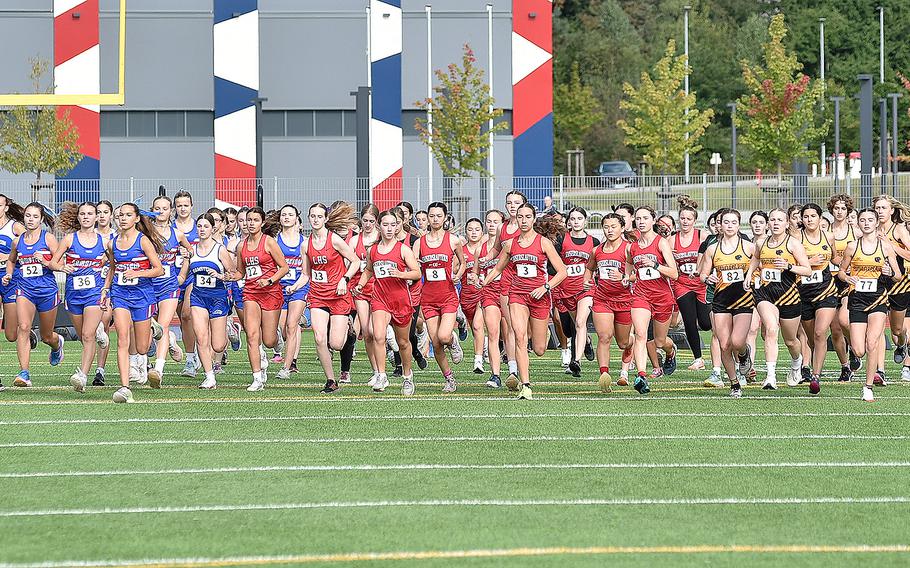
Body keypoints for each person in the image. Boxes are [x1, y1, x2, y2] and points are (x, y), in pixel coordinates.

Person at [482, 203, 567, 400]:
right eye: (520, 217)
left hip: (539, 296)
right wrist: (483, 282)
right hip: (517, 295)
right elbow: (498, 268)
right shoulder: (510, 244)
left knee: (538, 349)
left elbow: (562, 271)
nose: (523, 220)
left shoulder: (543, 243)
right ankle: (526, 385)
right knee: (519, 337)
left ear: (534, 219)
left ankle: (543, 332)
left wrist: (545, 287)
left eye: (528, 217)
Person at [353, 209, 422, 393]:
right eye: (386, 225)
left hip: (400, 300)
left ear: (398, 226)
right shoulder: (373, 250)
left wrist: (401, 274)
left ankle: (407, 376)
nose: (390, 229)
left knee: (403, 342)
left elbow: (417, 272)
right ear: (379, 226)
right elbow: (368, 269)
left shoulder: (403, 249)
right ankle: (381, 375)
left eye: (393, 225)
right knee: (378, 335)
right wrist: (360, 284)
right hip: (380, 299)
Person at [102, 204, 164, 403]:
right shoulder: (112, 243)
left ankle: (153, 329)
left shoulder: (143, 241)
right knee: (122, 338)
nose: (123, 219)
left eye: (128, 215)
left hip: (143, 295)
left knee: (143, 347)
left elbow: (159, 269)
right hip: (120, 294)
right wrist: (105, 289)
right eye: (120, 215)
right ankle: (124, 387)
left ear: (137, 219)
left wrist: (138, 272)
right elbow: (112, 268)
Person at [838, 208, 902, 402]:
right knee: (859, 349)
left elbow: (898, 275)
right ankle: (855, 357)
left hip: (878, 299)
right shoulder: (852, 247)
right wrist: (848, 278)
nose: (866, 223)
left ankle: (868, 387)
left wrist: (889, 271)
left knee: (872, 342)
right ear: (858, 223)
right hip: (857, 299)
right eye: (863, 220)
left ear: (876, 223)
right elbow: (841, 271)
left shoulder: (885, 247)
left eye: (870, 220)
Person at [746, 208, 812, 390]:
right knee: (771, 329)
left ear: (786, 223)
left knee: (791, 340)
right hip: (765, 294)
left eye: (779, 220)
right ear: (768, 224)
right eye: (772, 220)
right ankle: (770, 376)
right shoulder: (762, 243)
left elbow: (807, 270)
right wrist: (749, 275)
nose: (775, 223)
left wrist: (789, 266)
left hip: (789, 295)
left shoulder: (793, 244)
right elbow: (755, 259)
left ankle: (796, 362)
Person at [2, 203, 65, 387]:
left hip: (46, 290)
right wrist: (8, 274)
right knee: (23, 327)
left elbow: (58, 262)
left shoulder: (49, 239)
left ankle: (56, 344)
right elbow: (12, 261)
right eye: (28, 216)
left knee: (46, 335)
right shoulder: (18, 240)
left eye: (35, 216)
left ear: (41, 219)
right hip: (24, 289)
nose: (30, 219)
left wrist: (45, 260)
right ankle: (24, 373)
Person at [300, 202, 359, 392]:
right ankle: (331, 380)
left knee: (336, 343)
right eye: (312, 216)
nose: (315, 220)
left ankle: (349, 328)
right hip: (318, 295)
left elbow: (356, 261)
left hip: (338, 295)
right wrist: (293, 287)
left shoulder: (334, 240)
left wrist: (345, 279)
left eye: (319, 216)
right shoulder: (305, 245)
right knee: (319, 338)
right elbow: (306, 274)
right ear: (308, 218)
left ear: (326, 219)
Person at [51, 203, 110, 392]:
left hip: (94, 293)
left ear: (96, 218)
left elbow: (115, 264)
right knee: (83, 337)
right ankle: (98, 331)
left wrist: (106, 288)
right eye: (83, 214)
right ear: (78, 217)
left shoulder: (104, 241)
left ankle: (82, 375)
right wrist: (62, 267)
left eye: (90, 214)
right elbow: (53, 262)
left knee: (87, 334)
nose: (86, 217)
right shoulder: (69, 239)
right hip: (73, 294)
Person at [179, 213, 238, 389]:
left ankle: (229, 328)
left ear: (213, 229)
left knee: (218, 345)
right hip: (198, 297)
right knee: (201, 337)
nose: (202, 229)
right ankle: (209, 376)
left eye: (206, 226)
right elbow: (183, 275)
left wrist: (220, 275)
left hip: (218, 298)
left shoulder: (220, 249)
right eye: (199, 226)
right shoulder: (191, 251)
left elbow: (233, 274)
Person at [699, 208, 754, 398]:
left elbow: (760, 268)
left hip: (743, 300)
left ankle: (744, 354)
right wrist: (708, 279)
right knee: (724, 345)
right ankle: (734, 383)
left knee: (738, 341)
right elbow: (703, 274)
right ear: (719, 226)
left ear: (739, 225)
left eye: (733, 222)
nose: (729, 226)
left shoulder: (748, 247)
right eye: (726, 222)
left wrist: (753, 278)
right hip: (721, 300)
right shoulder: (713, 249)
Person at [413, 202, 466, 393]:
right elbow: (412, 267)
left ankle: (453, 341)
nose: (434, 219)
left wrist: (458, 275)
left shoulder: (453, 240)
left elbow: (463, 262)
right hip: (428, 298)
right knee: (435, 343)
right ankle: (449, 378)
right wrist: (416, 265)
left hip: (448, 296)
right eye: (431, 216)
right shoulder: (419, 243)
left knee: (444, 336)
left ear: (445, 218)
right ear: (427, 218)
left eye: (438, 216)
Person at [236, 206, 289, 392]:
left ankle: (275, 339)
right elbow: (241, 272)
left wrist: (270, 280)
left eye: (255, 220)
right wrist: (226, 276)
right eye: (248, 220)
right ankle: (257, 378)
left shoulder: (269, 243)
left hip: (270, 292)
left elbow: (284, 267)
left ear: (262, 223)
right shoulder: (241, 245)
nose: (251, 223)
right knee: (251, 335)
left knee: (268, 340)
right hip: (250, 293)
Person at [147, 196, 192, 387]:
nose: (161, 212)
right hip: (148, 284)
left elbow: (190, 253)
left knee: (162, 327)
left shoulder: (178, 234)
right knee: (149, 328)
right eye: (157, 208)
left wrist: (182, 274)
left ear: (170, 211)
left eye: (164, 208)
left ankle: (158, 369)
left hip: (169, 285)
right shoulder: (145, 234)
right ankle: (171, 342)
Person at [585, 213, 633, 392]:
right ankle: (604, 375)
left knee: (622, 343)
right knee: (604, 337)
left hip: (625, 300)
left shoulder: (629, 249)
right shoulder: (596, 251)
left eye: (613, 226)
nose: (610, 230)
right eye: (606, 227)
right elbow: (589, 269)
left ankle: (631, 343)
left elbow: (640, 274)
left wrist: (625, 277)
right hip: (602, 299)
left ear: (622, 228)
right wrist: (586, 280)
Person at [798, 203, 841, 393]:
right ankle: (816, 360)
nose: (809, 220)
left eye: (813, 216)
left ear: (820, 218)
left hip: (826, 290)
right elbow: (789, 263)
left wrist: (854, 260)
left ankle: (815, 377)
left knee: (819, 332)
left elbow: (835, 258)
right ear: (802, 219)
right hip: (803, 292)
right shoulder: (795, 239)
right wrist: (809, 262)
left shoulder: (828, 236)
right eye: (806, 217)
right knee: (811, 339)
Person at [554, 207, 598, 377]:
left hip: (585, 288)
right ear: (568, 222)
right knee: (572, 327)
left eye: (579, 218)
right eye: (572, 219)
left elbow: (597, 264)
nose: (576, 221)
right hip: (566, 289)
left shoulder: (593, 242)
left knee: (580, 322)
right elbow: (553, 263)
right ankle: (586, 341)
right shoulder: (561, 240)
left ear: (585, 221)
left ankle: (576, 361)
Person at [671, 196, 710, 371]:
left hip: (701, 283)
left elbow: (712, 256)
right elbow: (668, 262)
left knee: (706, 323)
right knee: (688, 320)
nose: (685, 222)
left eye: (689, 219)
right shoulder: (672, 239)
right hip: (683, 283)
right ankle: (698, 358)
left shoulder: (703, 236)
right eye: (682, 218)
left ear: (695, 220)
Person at [875, 195, 910, 385]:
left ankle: (903, 343)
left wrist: (893, 247)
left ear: (891, 210)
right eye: (877, 208)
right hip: (877, 285)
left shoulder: (898, 229)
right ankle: (880, 370)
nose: (880, 211)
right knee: (878, 328)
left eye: (883, 208)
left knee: (897, 330)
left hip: (899, 283)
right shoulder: (870, 228)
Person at [828, 194, 861, 378]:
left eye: (843, 208)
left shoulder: (855, 232)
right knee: (834, 329)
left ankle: (854, 344)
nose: (839, 212)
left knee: (844, 320)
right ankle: (845, 366)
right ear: (831, 210)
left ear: (848, 210)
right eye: (836, 208)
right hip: (829, 281)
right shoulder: (826, 231)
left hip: (849, 281)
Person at [349, 205, 382, 384]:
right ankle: (376, 371)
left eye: (371, 221)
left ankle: (382, 367)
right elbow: (348, 262)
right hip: (360, 288)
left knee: (376, 331)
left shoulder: (381, 238)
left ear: (376, 222)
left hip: (378, 288)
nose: (368, 224)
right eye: (365, 220)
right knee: (367, 332)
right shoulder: (354, 241)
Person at [273, 205, 307, 379]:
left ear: (296, 219)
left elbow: (308, 269)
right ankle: (288, 354)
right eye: (284, 215)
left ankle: (287, 367)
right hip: (279, 289)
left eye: (290, 215)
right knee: (283, 328)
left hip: (299, 288)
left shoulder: (305, 242)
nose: (286, 217)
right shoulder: (274, 240)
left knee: (291, 326)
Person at [173, 190, 201, 378]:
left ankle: (190, 360)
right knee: (183, 320)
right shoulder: (170, 227)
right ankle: (195, 350)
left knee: (187, 314)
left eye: (186, 205)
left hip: (193, 275)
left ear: (191, 206)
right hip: (173, 277)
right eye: (179, 205)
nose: (183, 208)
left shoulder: (198, 227)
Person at [479, 209, 507, 388]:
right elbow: (475, 271)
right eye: (489, 221)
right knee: (493, 333)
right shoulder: (480, 246)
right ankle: (495, 374)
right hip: (489, 292)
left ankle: (513, 368)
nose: (491, 225)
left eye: (495, 221)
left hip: (508, 291)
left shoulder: (510, 245)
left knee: (512, 333)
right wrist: (476, 277)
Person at [92, 200, 116, 386]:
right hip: (91, 285)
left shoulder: (117, 236)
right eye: (98, 212)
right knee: (91, 329)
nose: (101, 215)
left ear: (111, 215)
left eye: (105, 212)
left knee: (104, 323)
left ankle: (100, 370)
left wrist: (108, 257)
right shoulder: (87, 236)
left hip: (113, 285)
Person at [460, 217, 486, 375]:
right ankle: (484, 346)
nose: (474, 232)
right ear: (466, 232)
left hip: (483, 294)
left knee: (478, 326)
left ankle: (478, 361)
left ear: (482, 232)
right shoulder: (461, 250)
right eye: (470, 229)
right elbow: (453, 271)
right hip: (466, 295)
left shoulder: (487, 249)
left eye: (477, 229)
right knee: (474, 327)